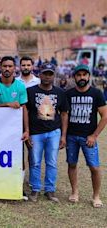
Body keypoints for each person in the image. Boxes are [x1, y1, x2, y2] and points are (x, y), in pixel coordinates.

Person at [0, 56, 30, 199]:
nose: (7, 69)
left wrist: (27, 130)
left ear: (14, 68)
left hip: (14, 130)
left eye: (10, 66)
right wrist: (6, 105)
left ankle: (18, 187)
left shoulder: (20, 86)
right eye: (4, 66)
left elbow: (24, 109)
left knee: (19, 159)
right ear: (0, 67)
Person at [26, 63, 68, 203]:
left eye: (50, 74)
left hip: (53, 132)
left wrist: (63, 135)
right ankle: (35, 189)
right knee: (35, 162)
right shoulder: (30, 91)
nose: (47, 77)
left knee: (52, 162)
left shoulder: (60, 93)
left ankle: (50, 190)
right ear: (40, 74)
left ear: (53, 75)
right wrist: (27, 131)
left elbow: (63, 114)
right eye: (45, 73)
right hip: (36, 133)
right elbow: (25, 112)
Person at [65, 65, 107, 208]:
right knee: (71, 164)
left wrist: (94, 135)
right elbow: (63, 116)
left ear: (89, 76)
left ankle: (96, 196)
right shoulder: (68, 94)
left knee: (94, 167)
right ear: (74, 77)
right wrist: (64, 135)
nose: (82, 77)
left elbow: (105, 116)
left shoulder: (96, 93)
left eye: (84, 75)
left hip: (88, 138)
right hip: (71, 136)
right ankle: (74, 192)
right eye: (79, 75)